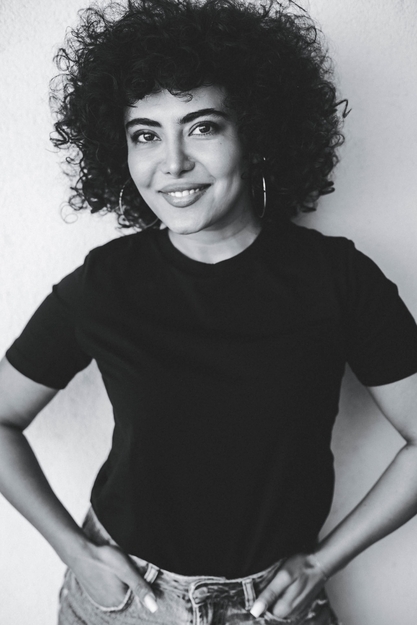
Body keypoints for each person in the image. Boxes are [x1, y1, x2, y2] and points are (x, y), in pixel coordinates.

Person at [1, 0, 417, 623]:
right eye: (146, 134)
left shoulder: (338, 279)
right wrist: (74, 550)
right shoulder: (106, 283)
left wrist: (324, 563)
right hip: (124, 602)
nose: (172, 163)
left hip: (273, 607)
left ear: (256, 135)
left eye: (202, 127)